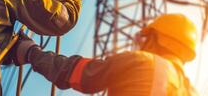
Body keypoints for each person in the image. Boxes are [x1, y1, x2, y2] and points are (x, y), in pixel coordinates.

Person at [12, 13, 199, 96]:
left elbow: (76, 72)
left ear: (164, 39)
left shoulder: (144, 62)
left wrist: (30, 52)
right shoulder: (192, 91)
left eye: (148, 37)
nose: (142, 44)